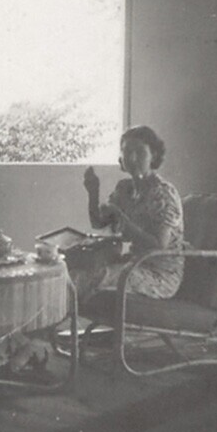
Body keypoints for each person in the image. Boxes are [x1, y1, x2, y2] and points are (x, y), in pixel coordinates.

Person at [73, 125, 185, 304]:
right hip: (133, 263)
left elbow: (159, 244)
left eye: (140, 152)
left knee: (90, 278)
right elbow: (98, 223)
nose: (132, 158)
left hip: (160, 274)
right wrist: (93, 192)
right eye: (127, 152)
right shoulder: (125, 188)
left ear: (153, 155)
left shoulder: (163, 193)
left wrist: (122, 218)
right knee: (75, 268)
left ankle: (57, 317)